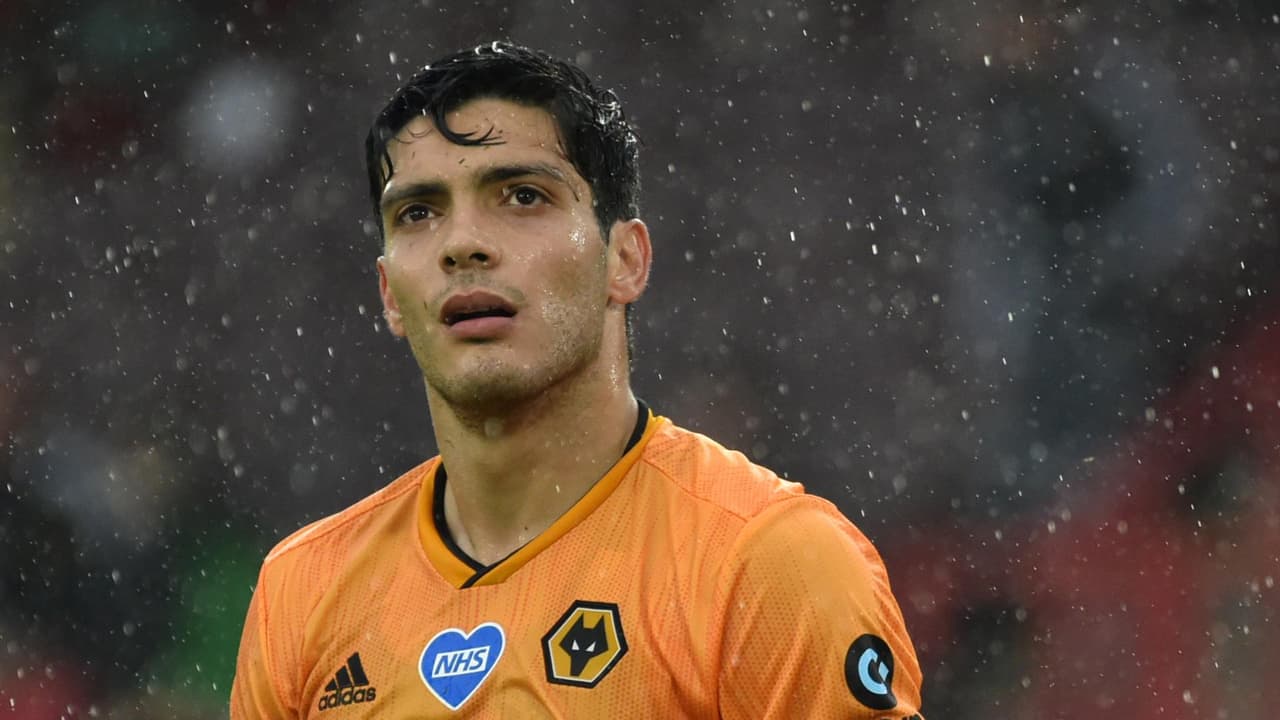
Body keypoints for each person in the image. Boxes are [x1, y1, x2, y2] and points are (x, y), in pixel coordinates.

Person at [230, 42, 925, 719]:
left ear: (625, 261)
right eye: (418, 212)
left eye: (522, 196)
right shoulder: (302, 591)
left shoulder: (769, 564)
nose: (461, 243)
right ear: (388, 292)